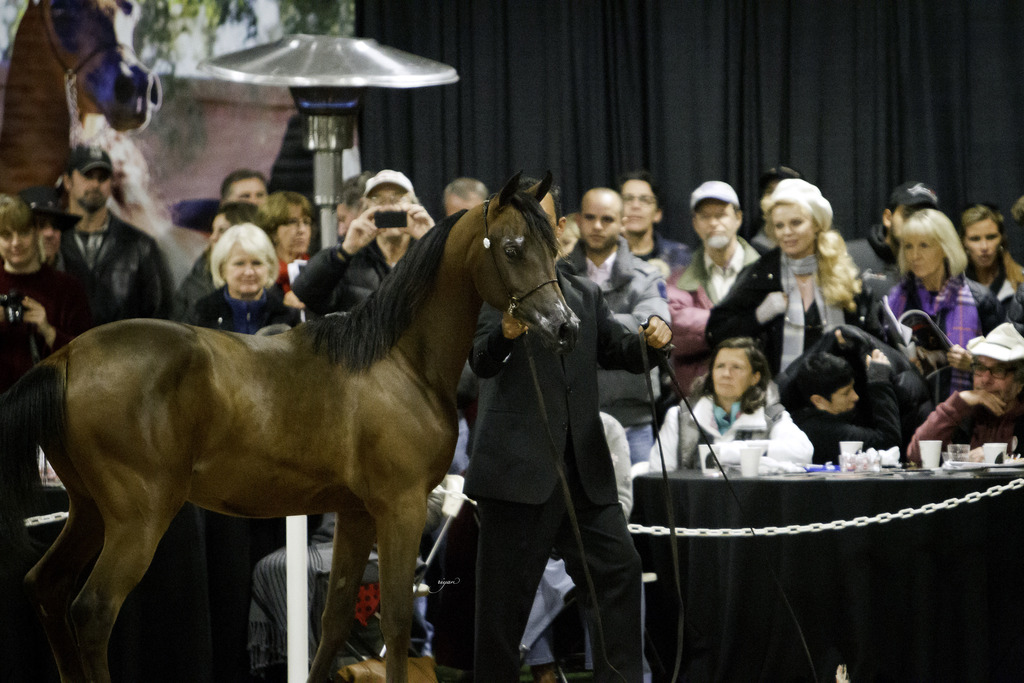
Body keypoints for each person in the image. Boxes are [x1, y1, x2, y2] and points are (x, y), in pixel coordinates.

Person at [467, 181, 672, 682]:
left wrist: (652, 342)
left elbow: (616, 349)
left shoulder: (583, 290)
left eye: (544, 222)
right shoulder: (489, 290)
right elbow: (477, 364)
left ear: (561, 230)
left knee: (619, 573)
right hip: (517, 476)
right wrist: (505, 333)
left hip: (584, 471)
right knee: (502, 609)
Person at [707, 178, 874, 375]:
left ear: (816, 225)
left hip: (842, 392)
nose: (786, 232)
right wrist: (758, 316)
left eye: (796, 223)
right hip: (780, 395)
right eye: (779, 226)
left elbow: (872, 335)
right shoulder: (761, 273)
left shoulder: (842, 269)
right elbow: (715, 332)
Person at [564, 186, 670, 466]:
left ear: (623, 222)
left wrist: (583, 323)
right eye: (590, 217)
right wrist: (619, 323)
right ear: (578, 220)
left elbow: (652, 328)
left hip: (634, 419)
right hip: (571, 418)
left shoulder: (646, 276)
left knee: (640, 507)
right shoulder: (556, 275)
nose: (597, 226)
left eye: (607, 219)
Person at [886, 208, 1002, 400]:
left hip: (967, 414)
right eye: (908, 246)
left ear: (945, 249)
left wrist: (973, 364)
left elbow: (1009, 366)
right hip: (909, 410)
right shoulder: (897, 298)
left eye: (924, 245)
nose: (914, 255)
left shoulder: (980, 299)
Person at [649, 337, 812, 471]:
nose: (726, 374)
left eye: (736, 367)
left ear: (755, 377)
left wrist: (733, 452)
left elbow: (802, 452)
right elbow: (659, 473)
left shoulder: (772, 415)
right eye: (720, 366)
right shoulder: (680, 417)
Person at [291, 170, 434, 315]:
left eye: (397, 199)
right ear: (366, 210)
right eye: (379, 200)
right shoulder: (348, 260)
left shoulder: (428, 255)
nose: (389, 208)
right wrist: (344, 251)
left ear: (414, 206)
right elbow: (305, 293)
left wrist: (436, 244)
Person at [59, 144, 171, 325]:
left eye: (103, 178)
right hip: (65, 350)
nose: (95, 184)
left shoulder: (140, 245)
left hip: (123, 350)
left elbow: (161, 316)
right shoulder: (52, 241)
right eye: (87, 176)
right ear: (67, 181)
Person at [668, 180, 760, 393]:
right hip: (699, 396)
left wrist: (707, 326)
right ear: (695, 223)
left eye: (720, 214)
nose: (713, 223)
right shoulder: (677, 280)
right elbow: (675, 333)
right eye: (705, 216)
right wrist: (743, 322)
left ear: (738, 218)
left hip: (754, 393)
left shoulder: (763, 272)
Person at [0, 194, 92, 393]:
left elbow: (89, 357)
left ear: (35, 234)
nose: (16, 243)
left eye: (23, 233)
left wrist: (48, 331)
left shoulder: (68, 288)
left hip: (50, 406)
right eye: (6, 235)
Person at [908, 323, 1024, 463]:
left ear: (1020, 382)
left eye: (999, 371)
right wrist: (958, 402)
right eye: (980, 368)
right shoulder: (962, 413)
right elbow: (917, 457)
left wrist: (1004, 460)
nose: (985, 379)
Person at [790, 350, 901, 464]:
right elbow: (889, 442)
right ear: (818, 400)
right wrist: (880, 381)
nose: (855, 397)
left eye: (853, 388)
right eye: (846, 393)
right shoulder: (824, 432)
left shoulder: (804, 417)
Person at [186, 223, 300, 332]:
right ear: (222, 269)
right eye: (239, 263)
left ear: (269, 267)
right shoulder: (201, 313)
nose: (249, 272)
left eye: (257, 263)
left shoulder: (287, 316)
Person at [847, 181, 940, 302]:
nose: (916, 223)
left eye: (926, 217)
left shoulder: (938, 266)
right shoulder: (848, 257)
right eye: (909, 214)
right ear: (887, 218)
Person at [171, 201, 259, 322]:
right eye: (213, 230)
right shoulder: (199, 274)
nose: (213, 237)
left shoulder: (269, 276)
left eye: (222, 230)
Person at [616, 170, 691, 278]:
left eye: (645, 200)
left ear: (657, 214)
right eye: (627, 199)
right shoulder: (607, 256)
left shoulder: (680, 256)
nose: (635, 205)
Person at [256, 190, 313, 308]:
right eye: (292, 222)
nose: (302, 230)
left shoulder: (317, 269)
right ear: (272, 231)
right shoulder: (259, 274)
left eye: (306, 222)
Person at [959, 203, 1023, 306]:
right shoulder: (953, 288)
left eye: (991, 237)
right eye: (975, 239)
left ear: (1002, 239)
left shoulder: (1021, 281)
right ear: (963, 242)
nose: (984, 247)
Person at [18, 186, 77, 270]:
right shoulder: (3, 278)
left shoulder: (76, 275)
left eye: (56, 225)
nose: (50, 233)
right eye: (40, 225)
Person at [746, 165, 802, 252]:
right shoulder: (754, 249)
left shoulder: (818, 245)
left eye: (783, 191)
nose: (775, 198)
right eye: (769, 192)